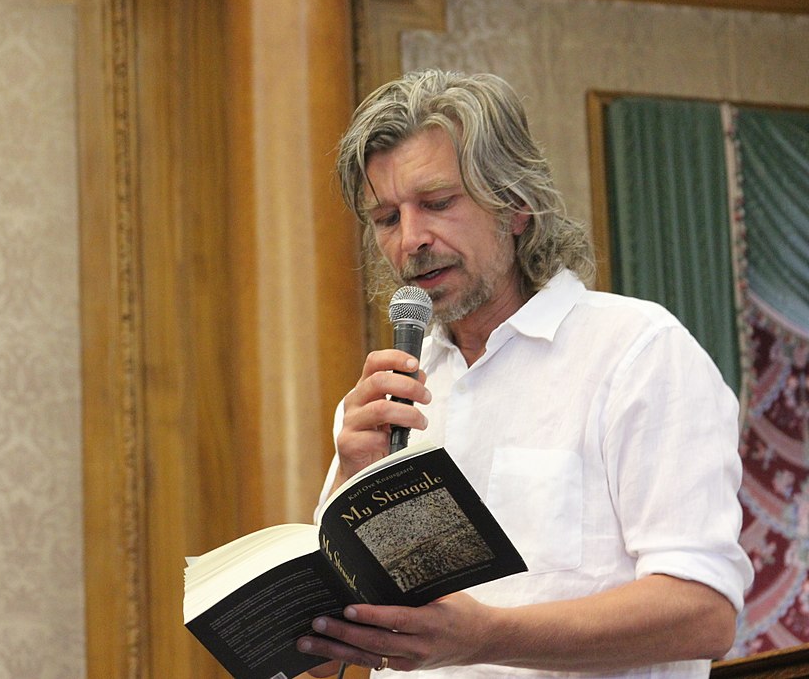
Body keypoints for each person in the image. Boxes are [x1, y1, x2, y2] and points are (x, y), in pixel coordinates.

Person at [296, 69, 753, 678]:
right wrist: (350, 481)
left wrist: (484, 638)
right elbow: (326, 661)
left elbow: (703, 614)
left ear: (516, 205)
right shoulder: (387, 400)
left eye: (437, 203)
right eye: (385, 219)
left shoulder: (637, 351)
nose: (411, 240)